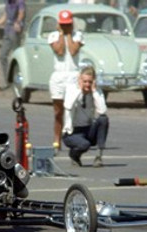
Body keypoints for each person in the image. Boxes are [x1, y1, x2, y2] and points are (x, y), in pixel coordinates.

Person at [48, 9, 84, 150]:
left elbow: (73, 50)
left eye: (68, 24)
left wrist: (69, 34)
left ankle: (71, 137)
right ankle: (57, 138)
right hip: (58, 75)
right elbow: (60, 51)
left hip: (73, 75)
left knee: (71, 108)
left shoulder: (78, 35)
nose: (66, 26)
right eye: (63, 24)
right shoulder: (53, 36)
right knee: (58, 111)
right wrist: (62, 34)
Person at [62, 66, 109, 167]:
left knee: (103, 119)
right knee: (84, 145)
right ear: (80, 80)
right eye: (85, 81)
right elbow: (68, 106)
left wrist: (95, 92)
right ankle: (74, 155)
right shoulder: (72, 89)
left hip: (88, 129)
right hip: (72, 132)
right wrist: (80, 90)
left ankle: (99, 156)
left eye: (90, 82)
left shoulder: (96, 91)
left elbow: (102, 111)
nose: (87, 84)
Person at [0, 0, 25, 80]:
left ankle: (19, 78)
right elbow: (5, 17)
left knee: (16, 55)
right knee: (2, 56)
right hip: (7, 31)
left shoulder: (19, 2)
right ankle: (8, 79)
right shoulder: (7, 2)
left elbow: (21, 13)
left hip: (15, 31)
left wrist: (17, 22)